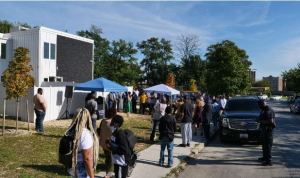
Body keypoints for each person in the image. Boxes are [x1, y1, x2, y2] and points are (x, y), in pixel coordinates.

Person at [68, 108, 99, 178]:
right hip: (82, 167)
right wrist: (92, 176)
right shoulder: (85, 134)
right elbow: (87, 158)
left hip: (74, 165)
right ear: (87, 118)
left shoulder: (70, 131)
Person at [98, 107, 116, 178]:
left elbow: (99, 130)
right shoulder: (113, 122)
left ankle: (108, 171)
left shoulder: (103, 121)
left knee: (107, 157)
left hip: (103, 142)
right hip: (110, 144)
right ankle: (108, 173)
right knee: (110, 159)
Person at [257, 99, 276, 166]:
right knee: (264, 145)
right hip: (264, 130)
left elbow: (271, 122)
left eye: (259, 105)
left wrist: (260, 121)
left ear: (262, 104)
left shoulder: (268, 110)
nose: (259, 107)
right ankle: (264, 158)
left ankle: (269, 161)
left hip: (268, 131)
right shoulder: (264, 109)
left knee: (268, 146)